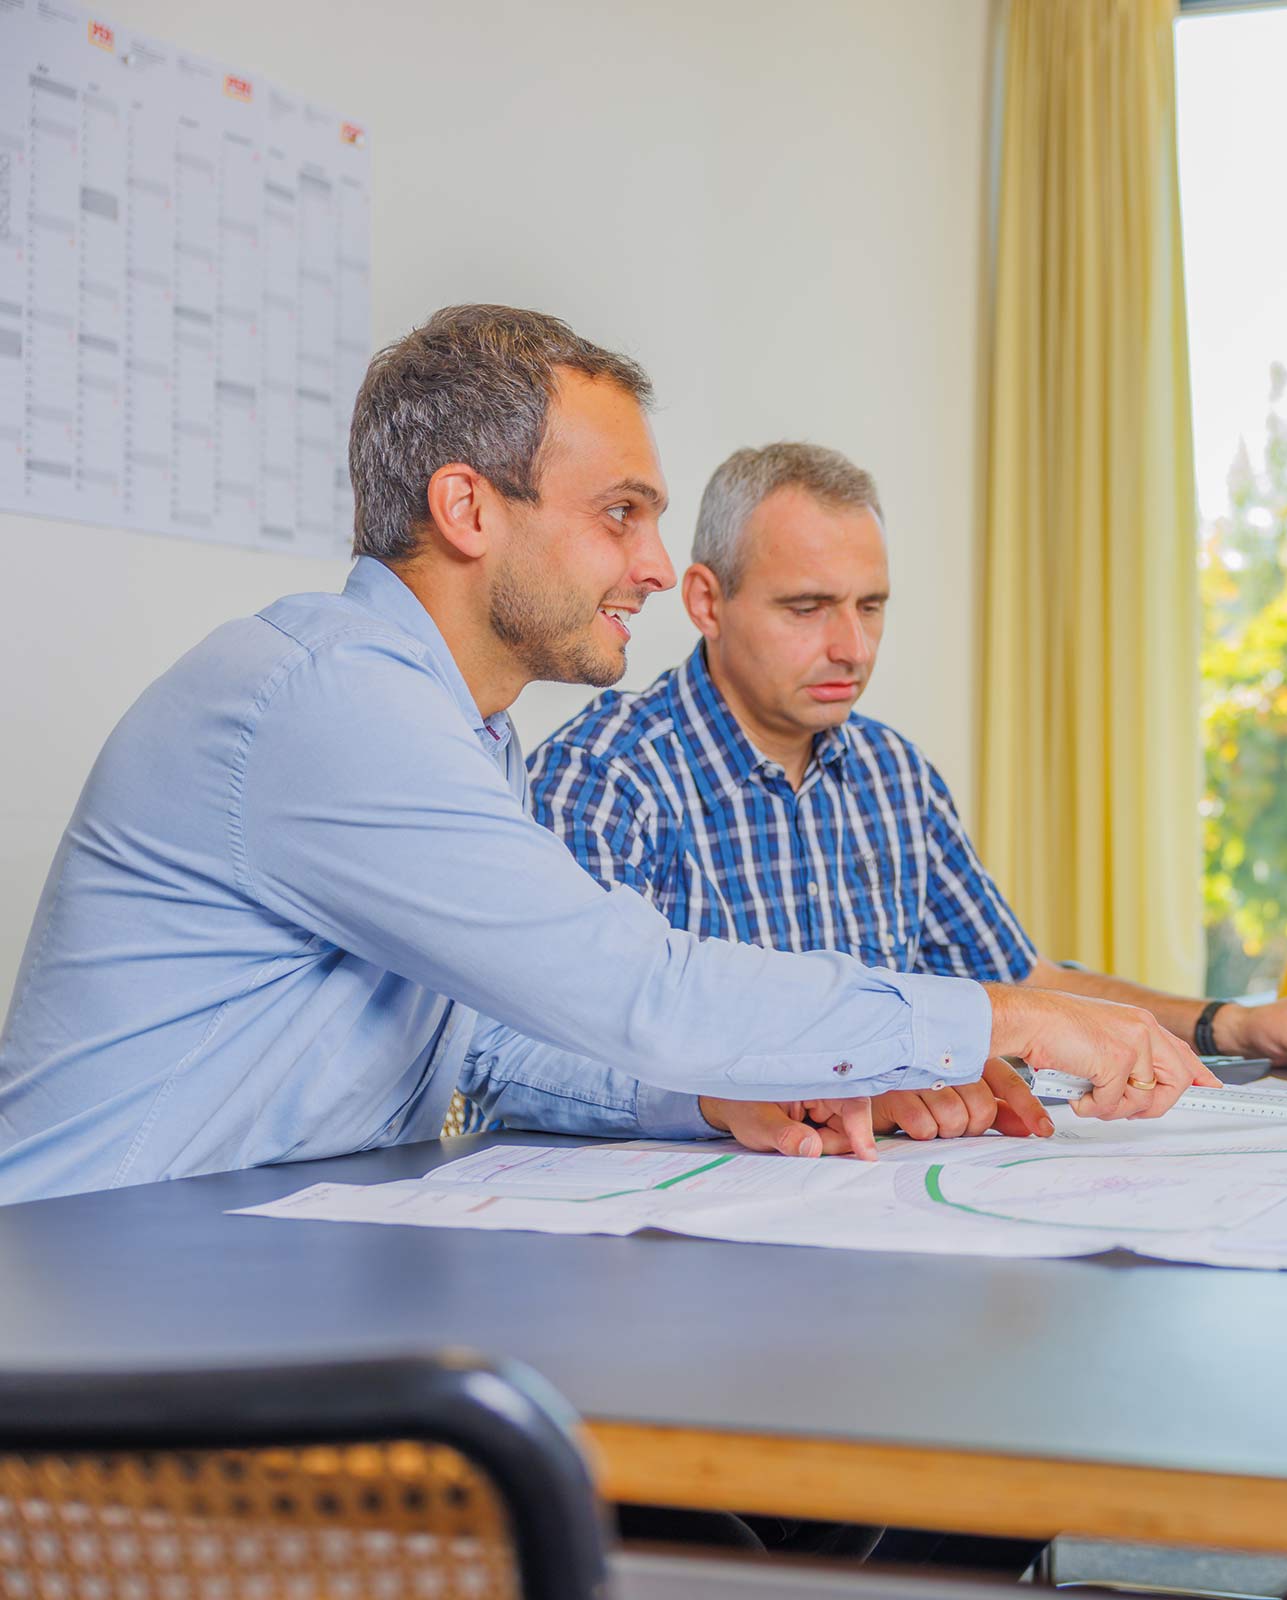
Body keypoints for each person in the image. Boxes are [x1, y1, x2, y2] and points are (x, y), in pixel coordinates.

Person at [0, 307, 1208, 1206]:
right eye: (619, 512)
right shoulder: (327, 704)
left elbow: (484, 1039)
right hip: (94, 1314)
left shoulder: (458, 730)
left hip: (230, 1260)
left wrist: (729, 1091)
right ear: (468, 510)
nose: (649, 566)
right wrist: (1006, 1017)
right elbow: (640, 987)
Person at [490, 441, 1287, 1148]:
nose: (851, 646)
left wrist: (1233, 1024)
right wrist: (817, 1089)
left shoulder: (892, 774)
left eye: (871, 606)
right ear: (705, 600)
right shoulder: (608, 777)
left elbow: (1022, 983)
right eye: (808, 608)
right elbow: (556, 1054)